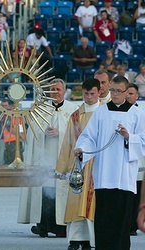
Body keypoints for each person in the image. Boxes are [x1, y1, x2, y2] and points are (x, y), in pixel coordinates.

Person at [75, 76, 145, 250]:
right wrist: (82, 149)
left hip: (124, 176)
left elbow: (143, 140)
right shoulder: (101, 112)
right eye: (112, 90)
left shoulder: (137, 113)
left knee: (122, 219)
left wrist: (129, 137)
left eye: (118, 91)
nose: (114, 94)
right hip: (104, 174)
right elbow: (89, 137)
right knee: (104, 217)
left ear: (127, 92)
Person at [18, 78, 78, 238]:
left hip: (63, 160)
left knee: (62, 191)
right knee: (45, 191)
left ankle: (61, 227)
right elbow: (31, 133)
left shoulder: (73, 110)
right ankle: (43, 226)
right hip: (44, 159)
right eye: (52, 89)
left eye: (58, 89)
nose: (55, 92)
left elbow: (79, 134)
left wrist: (62, 133)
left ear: (64, 91)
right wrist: (41, 132)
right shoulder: (40, 110)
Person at [55, 78, 101, 250]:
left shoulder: (104, 113)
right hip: (78, 167)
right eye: (86, 94)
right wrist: (62, 168)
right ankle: (75, 239)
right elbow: (67, 142)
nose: (88, 97)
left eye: (92, 94)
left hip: (97, 167)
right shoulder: (75, 116)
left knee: (92, 205)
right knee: (75, 203)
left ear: (99, 92)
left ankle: (91, 240)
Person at [125, 83, 145, 236]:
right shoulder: (121, 112)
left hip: (139, 159)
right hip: (125, 160)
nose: (128, 96)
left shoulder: (141, 113)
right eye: (127, 93)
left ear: (137, 96)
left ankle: (133, 224)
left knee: (137, 193)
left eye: (131, 93)